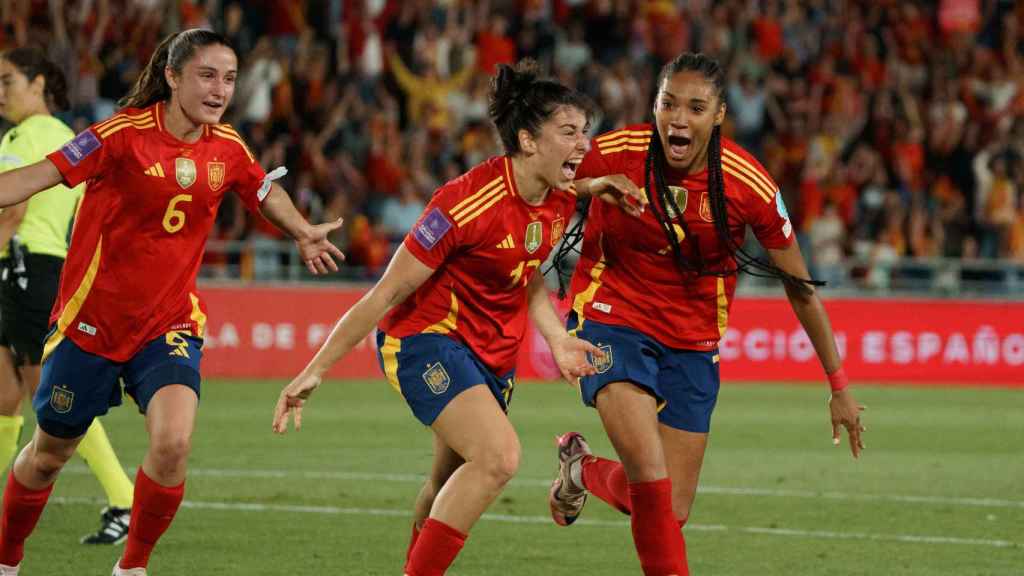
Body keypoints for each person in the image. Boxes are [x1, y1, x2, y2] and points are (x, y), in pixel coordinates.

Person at [272, 60, 643, 576]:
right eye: (569, 132)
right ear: (527, 140)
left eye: (585, 131)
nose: (584, 144)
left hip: (493, 355)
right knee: (498, 457)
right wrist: (315, 369)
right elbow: (387, 292)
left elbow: (528, 273)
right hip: (426, 339)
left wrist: (557, 338)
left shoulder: (558, 198)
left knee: (445, 484)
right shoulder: (463, 204)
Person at [0, 29, 344, 576]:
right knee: (47, 457)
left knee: (173, 444)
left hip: (169, 323)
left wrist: (302, 230)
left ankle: (131, 567)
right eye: (207, 76)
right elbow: (39, 175)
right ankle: (6, 559)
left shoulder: (227, 146)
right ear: (172, 76)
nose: (220, 90)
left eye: (229, 79)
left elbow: (262, 189)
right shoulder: (120, 135)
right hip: (92, 324)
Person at [547, 52, 866, 576]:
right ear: (654, 105)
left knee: (670, 509)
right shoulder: (615, 152)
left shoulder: (747, 184)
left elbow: (801, 289)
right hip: (611, 318)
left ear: (718, 115)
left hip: (691, 340)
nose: (678, 119)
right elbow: (533, 184)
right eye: (668, 103)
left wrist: (839, 385)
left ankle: (580, 469)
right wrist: (590, 186)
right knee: (651, 481)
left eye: (695, 108)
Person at [0, 47, 137, 548]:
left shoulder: (26, 135)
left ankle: (124, 498)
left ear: (38, 84)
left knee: (51, 396)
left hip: (26, 268)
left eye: (8, 81)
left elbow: (12, 210)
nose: (0, 93)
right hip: (44, 266)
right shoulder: (68, 137)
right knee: (5, 394)